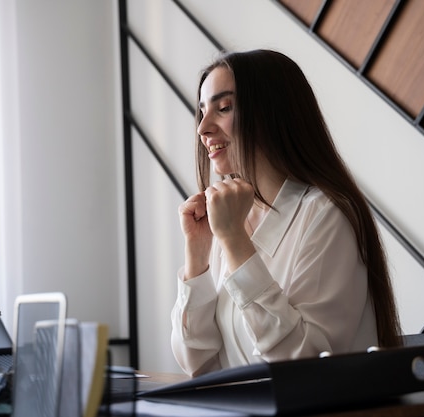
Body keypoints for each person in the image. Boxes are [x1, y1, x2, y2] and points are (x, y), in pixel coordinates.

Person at [171, 49, 401, 377]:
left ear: (272, 113)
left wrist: (235, 240)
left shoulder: (326, 215)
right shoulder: (229, 219)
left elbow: (305, 366)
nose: (203, 128)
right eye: (202, 111)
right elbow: (198, 364)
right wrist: (197, 256)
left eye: (224, 108)